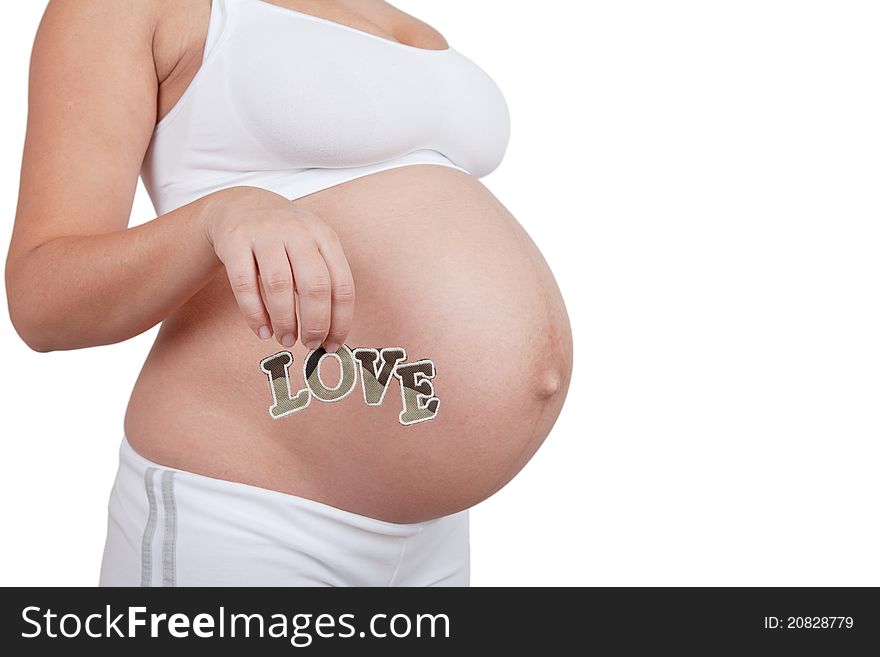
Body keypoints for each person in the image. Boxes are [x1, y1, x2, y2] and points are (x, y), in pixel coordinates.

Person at [5, 0, 573, 586]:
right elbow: (43, 301)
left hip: (433, 536)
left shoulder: (390, 17)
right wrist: (217, 217)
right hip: (245, 513)